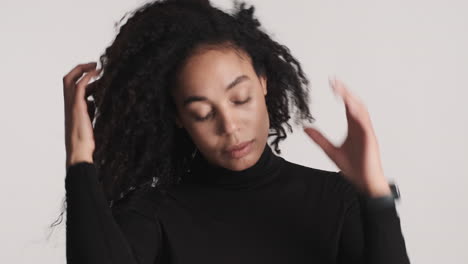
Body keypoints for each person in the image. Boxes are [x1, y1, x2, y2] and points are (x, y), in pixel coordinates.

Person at [61, 0, 411, 263]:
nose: (229, 127)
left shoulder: (338, 201)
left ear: (263, 82)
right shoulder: (154, 214)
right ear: (178, 117)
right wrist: (79, 159)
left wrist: (376, 195)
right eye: (201, 113)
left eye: (240, 99)